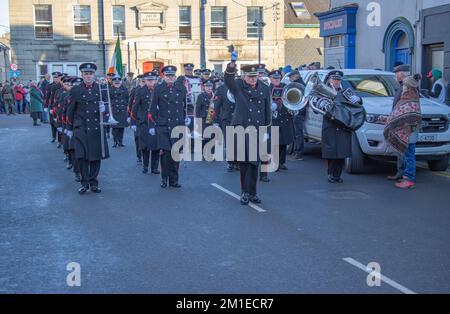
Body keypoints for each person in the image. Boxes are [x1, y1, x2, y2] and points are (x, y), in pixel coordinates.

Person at [224, 52, 271, 205]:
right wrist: (231, 66)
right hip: (242, 128)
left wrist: (266, 131)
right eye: (250, 76)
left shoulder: (264, 88)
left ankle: (253, 193)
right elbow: (228, 80)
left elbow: (266, 110)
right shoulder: (238, 86)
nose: (252, 78)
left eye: (255, 76)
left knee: (255, 163)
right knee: (245, 163)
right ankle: (245, 192)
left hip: (257, 129)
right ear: (244, 76)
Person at [66, 63, 110, 194]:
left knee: (96, 157)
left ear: (94, 75)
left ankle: (94, 183)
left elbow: (107, 109)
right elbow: (70, 110)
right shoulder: (76, 90)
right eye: (86, 74)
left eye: (90, 74)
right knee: (81, 157)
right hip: (81, 127)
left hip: (96, 127)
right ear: (82, 75)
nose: (88, 76)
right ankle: (84, 183)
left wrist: (105, 110)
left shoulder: (101, 89)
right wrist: (68, 127)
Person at [312, 70, 362, 183]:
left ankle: (338, 175)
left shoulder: (345, 91)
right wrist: (319, 103)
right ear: (329, 79)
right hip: (330, 124)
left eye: (338, 79)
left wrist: (358, 99)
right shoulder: (323, 91)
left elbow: (358, 103)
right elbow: (315, 105)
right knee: (331, 151)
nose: (336, 81)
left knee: (342, 151)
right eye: (334, 79)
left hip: (344, 125)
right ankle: (330, 173)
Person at [150, 65, 189, 188]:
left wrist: (187, 117)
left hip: (178, 124)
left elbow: (186, 105)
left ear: (175, 76)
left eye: (172, 75)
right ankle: (164, 178)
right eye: (168, 75)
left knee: (176, 153)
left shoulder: (181, 88)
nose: (170, 77)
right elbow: (152, 108)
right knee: (166, 153)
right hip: (164, 125)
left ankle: (174, 180)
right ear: (164, 76)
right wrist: (157, 122)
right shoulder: (158, 89)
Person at [384, 74, 422, 189]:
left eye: (404, 85)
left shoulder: (409, 99)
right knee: (407, 155)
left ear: (408, 86)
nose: (403, 88)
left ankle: (409, 178)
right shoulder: (412, 96)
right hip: (410, 132)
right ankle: (406, 176)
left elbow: (406, 116)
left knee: (409, 156)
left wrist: (391, 121)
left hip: (409, 133)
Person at [132, 71, 160, 174]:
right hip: (144, 121)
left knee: (156, 146)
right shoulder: (140, 91)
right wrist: (133, 122)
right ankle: (145, 165)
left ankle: (154, 168)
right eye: (148, 80)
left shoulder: (159, 90)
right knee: (145, 146)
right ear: (145, 81)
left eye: (152, 80)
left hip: (156, 120)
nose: (150, 82)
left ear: (155, 80)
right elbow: (134, 107)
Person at [387, 64, 410, 181]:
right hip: (399, 122)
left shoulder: (407, 87)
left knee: (405, 151)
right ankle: (402, 173)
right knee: (401, 150)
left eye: (397, 74)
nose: (396, 76)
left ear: (403, 74)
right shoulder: (402, 86)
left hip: (403, 123)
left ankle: (405, 174)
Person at [269, 70, 295, 171]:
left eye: (278, 78)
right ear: (271, 79)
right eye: (274, 78)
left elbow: (292, 99)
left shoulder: (285, 87)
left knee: (283, 142)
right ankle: (274, 162)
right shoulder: (267, 89)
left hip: (285, 117)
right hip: (273, 119)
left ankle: (282, 162)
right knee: (274, 143)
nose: (276, 80)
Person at [213, 77, 237, 172]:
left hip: (239, 118)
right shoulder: (221, 89)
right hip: (227, 118)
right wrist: (215, 120)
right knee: (230, 141)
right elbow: (216, 106)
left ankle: (238, 161)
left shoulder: (239, 87)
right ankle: (231, 162)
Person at [129, 75, 145, 164]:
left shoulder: (153, 89)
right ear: (139, 82)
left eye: (144, 81)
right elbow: (130, 104)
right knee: (138, 138)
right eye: (142, 81)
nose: (144, 83)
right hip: (137, 117)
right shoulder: (135, 90)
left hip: (148, 118)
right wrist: (130, 118)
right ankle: (139, 156)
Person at [109, 75, 129, 148]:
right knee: (115, 128)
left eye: (118, 82)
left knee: (121, 127)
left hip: (122, 110)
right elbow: (108, 100)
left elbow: (127, 98)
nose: (117, 83)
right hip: (114, 110)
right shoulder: (110, 89)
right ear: (113, 83)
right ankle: (115, 142)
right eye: (115, 82)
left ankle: (120, 142)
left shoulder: (125, 89)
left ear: (121, 82)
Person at [45, 72, 64, 143]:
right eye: (54, 77)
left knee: (58, 123)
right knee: (52, 123)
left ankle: (60, 139)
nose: (55, 79)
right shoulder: (51, 86)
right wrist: (46, 106)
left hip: (59, 107)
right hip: (52, 106)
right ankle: (53, 136)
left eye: (57, 77)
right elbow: (48, 96)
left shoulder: (63, 86)